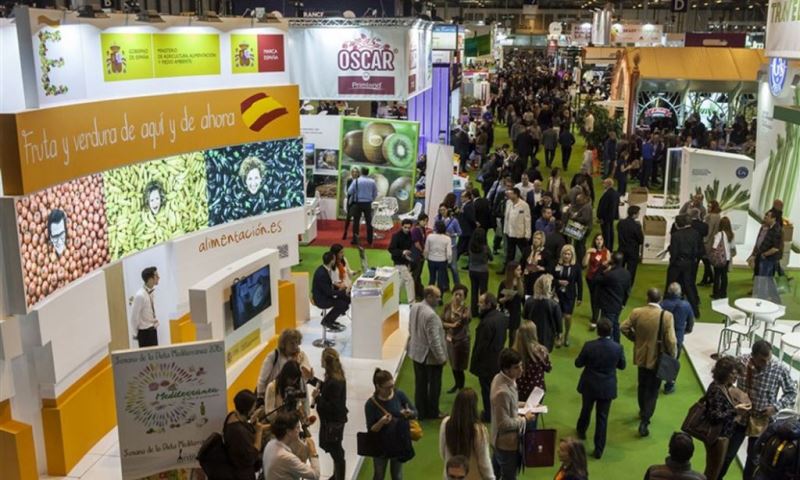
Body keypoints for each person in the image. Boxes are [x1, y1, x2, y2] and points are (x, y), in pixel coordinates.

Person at [729, 340, 797, 479]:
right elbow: (727, 380)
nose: (766, 364)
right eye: (762, 360)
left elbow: (791, 392)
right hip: (741, 417)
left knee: (754, 459)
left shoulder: (779, 369)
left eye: (769, 359)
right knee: (728, 453)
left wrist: (776, 407)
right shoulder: (741, 362)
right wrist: (734, 398)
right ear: (753, 356)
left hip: (762, 421)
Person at [621, 288, 677, 437]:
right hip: (658, 358)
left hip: (641, 356)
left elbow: (623, 327)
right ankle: (645, 420)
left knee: (642, 385)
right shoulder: (666, 316)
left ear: (647, 298)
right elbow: (671, 341)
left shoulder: (637, 312)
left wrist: (636, 339)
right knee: (653, 390)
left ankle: (642, 410)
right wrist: (672, 355)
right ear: (661, 299)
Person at [575, 318, 626, 459]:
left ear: (598, 331)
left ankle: (581, 431)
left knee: (586, 409)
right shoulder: (618, 348)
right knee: (602, 418)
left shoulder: (589, 346)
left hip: (589, 384)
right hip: (607, 387)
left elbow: (578, 363)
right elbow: (622, 366)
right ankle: (599, 449)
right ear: (611, 331)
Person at [701, 356, 750, 480]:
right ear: (724, 373)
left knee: (715, 469)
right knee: (713, 471)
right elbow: (714, 415)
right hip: (718, 436)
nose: (735, 376)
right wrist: (735, 411)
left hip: (722, 435)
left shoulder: (723, 386)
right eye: (733, 373)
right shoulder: (717, 389)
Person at [490, 348, 536, 480]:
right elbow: (503, 424)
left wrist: (525, 404)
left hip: (500, 442)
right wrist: (524, 419)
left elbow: (509, 404)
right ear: (506, 369)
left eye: (521, 365)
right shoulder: (502, 391)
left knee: (493, 474)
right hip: (506, 444)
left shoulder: (501, 378)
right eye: (516, 367)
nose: (521, 370)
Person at [365, 369, 417, 480]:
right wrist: (381, 422)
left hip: (398, 443)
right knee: (379, 476)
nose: (390, 389)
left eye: (392, 386)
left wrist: (409, 413)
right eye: (387, 387)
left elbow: (415, 413)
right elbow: (371, 430)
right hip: (380, 447)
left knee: (397, 475)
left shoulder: (399, 394)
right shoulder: (370, 404)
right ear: (378, 387)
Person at [408, 286, 447, 419]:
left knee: (420, 384)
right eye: (437, 297)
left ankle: (421, 411)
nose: (439, 299)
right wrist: (441, 358)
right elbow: (434, 341)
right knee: (434, 386)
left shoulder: (415, 307)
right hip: (430, 357)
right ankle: (433, 412)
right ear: (429, 297)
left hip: (416, 353)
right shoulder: (431, 315)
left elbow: (410, 328)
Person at [439, 388, 494, 480]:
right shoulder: (479, 430)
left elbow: (442, 452)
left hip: (450, 475)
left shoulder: (445, 423)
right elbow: (484, 461)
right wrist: (491, 478)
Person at [470, 293, 509, 423]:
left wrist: (474, 363)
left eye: (481, 303)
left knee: (487, 391)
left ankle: (489, 414)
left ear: (488, 304)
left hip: (486, 363)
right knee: (496, 388)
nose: (478, 304)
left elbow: (481, 346)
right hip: (498, 359)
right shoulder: (502, 317)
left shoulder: (486, 323)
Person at [313, 348, 348, 480]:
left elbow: (332, 406)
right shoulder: (336, 376)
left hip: (332, 422)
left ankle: (339, 477)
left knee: (336, 452)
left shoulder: (334, 381)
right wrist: (311, 379)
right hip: (336, 421)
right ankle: (337, 476)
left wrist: (317, 398)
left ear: (326, 362)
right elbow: (327, 389)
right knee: (337, 450)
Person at [262, 410, 321, 480]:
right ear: (288, 431)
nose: (299, 430)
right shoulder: (286, 457)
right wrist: (313, 450)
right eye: (297, 427)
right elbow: (315, 475)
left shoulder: (270, 444)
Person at [257, 329, 313, 401]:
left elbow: (306, 375)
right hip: (273, 395)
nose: (295, 346)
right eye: (292, 343)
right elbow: (262, 380)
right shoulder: (273, 356)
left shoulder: (301, 356)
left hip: (292, 396)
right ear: (284, 344)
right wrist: (260, 398)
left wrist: (308, 376)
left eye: (296, 342)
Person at [224, 390, 269, 480]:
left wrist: (272, 426)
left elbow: (251, 428)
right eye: (253, 407)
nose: (254, 409)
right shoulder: (238, 432)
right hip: (243, 474)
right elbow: (253, 456)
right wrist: (259, 432)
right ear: (247, 409)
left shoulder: (233, 415)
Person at [660, 283, 695, 395]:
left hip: (663, 336)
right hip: (677, 337)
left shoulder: (662, 304)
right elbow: (690, 322)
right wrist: (685, 331)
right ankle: (669, 385)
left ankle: (656, 382)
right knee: (673, 360)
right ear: (679, 293)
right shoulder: (686, 305)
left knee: (659, 357)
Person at [667, 214, 701, 318]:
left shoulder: (676, 235)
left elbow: (674, 252)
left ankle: (666, 309)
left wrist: (672, 262)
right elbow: (697, 249)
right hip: (689, 263)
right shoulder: (695, 233)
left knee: (670, 286)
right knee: (689, 287)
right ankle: (695, 311)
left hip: (677, 264)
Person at [593, 252, 632, 343]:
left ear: (612, 260)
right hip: (619, 304)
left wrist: (602, 267)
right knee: (615, 324)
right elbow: (627, 291)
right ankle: (617, 344)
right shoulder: (627, 273)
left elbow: (596, 279)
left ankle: (609, 345)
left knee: (608, 327)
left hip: (608, 305)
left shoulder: (610, 275)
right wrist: (623, 303)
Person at [512, 321, 552, 403]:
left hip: (519, 388)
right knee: (533, 410)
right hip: (536, 390)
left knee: (518, 409)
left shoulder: (514, 352)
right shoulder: (541, 350)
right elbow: (548, 368)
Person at [523, 274, 563, 352]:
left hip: (531, 334)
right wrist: (559, 334)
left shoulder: (529, 301)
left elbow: (525, 316)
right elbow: (559, 322)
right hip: (547, 336)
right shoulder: (554, 304)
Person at [312, 252, 350, 331]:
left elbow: (328, 285)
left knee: (347, 299)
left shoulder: (324, 269)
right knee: (343, 304)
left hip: (324, 295)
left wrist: (340, 288)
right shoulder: (322, 274)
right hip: (321, 299)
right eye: (334, 259)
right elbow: (328, 292)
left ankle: (331, 319)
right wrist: (343, 292)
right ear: (332, 261)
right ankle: (327, 321)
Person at [444, 285, 472, 394]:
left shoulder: (466, 308)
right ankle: (457, 384)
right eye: (456, 294)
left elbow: (466, 319)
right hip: (450, 340)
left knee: (459, 367)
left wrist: (459, 314)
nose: (457, 297)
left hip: (462, 342)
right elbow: (440, 321)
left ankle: (461, 388)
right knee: (453, 365)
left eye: (460, 295)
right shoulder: (447, 306)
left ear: (464, 297)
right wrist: (451, 325)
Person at [554, 244, 583, 347]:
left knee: (567, 316)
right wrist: (559, 282)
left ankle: (566, 335)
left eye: (568, 254)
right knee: (558, 316)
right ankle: (559, 335)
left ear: (572, 255)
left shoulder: (576, 267)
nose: (566, 256)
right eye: (565, 254)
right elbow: (551, 278)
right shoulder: (557, 264)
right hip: (557, 294)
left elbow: (579, 282)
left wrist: (580, 297)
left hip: (570, 295)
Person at [583, 234, 610, 329]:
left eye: (601, 239)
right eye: (597, 239)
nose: (599, 241)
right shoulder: (591, 251)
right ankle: (595, 315)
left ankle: (595, 319)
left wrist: (605, 265)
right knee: (593, 297)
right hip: (590, 278)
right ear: (594, 241)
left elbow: (610, 266)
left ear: (603, 241)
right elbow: (584, 264)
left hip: (601, 279)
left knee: (596, 297)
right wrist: (587, 252)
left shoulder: (606, 252)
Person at [502, 188, 531, 273]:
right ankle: (508, 270)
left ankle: (527, 268)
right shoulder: (508, 203)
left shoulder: (524, 205)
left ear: (516, 194)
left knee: (525, 252)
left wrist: (527, 234)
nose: (508, 195)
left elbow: (527, 220)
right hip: (510, 232)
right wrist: (505, 230)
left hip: (520, 234)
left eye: (510, 193)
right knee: (510, 253)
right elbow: (507, 218)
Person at [130, 266, 160, 348]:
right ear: (150, 279)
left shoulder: (150, 292)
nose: (159, 277)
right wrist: (137, 334)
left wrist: (153, 321)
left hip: (152, 330)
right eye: (156, 276)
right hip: (145, 333)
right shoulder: (140, 295)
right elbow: (133, 317)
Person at [348, 166, 378, 246]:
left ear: (361, 172)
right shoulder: (372, 182)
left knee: (356, 222)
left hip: (357, 203)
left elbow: (349, 191)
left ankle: (355, 240)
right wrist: (371, 199)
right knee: (369, 222)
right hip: (368, 203)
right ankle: (370, 240)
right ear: (368, 173)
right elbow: (375, 193)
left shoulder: (356, 181)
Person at [748, 209, 783, 278]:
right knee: (760, 276)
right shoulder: (769, 227)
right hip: (763, 257)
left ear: (773, 218)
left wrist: (763, 254)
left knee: (764, 277)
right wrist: (755, 254)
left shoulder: (776, 229)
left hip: (768, 259)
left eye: (768, 216)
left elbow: (775, 248)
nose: (766, 217)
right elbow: (761, 241)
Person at [388, 219, 417, 302]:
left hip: (407, 261)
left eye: (409, 228)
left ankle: (395, 300)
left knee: (401, 282)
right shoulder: (396, 236)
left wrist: (410, 256)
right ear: (402, 226)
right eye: (405, 227)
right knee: (409, 280)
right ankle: (412, 302)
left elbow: (411, 247)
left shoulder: (410, 235)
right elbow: (391, 249)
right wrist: (402, 252)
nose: (407, 229)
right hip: (398, 262)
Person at [498, 262, 524, 346]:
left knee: (513, 337)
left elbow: (523, 300)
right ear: (512, 271)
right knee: (502, 336)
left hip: (516, 313)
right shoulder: (504, 284)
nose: (520, 271)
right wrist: (506, 298)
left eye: (520, 269)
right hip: (506, 312)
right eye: (518, 270)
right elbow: (499, 300)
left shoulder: (521, 284)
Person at [468, 228, 493, 317]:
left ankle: (474, 311)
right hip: (483, 271)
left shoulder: (470, 247)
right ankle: (483, 311)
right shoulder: (485, 248)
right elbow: (491, 258)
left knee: (474, 291)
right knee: (483, 292)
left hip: (472, 270)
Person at [438, 204, 463, 286]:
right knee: (443, 267)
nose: (442, 212)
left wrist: (452, 235)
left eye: (444, 210)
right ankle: (445, 285)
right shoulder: (438, 219)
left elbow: (459, 232)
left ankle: (457, 285)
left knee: (453, 267)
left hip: (452, 246)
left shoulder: (454, 221)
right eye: (440, 210)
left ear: (447, 210)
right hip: (441, 247)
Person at [617, 205, 644, 283]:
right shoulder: (636, 226)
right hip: (633, 251)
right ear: (634, 214)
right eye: (638, 213)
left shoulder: (620, 223)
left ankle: (618, 283)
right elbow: (641, 240)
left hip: (622, 249)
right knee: (631, 271)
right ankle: (628, 285)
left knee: (619, 268)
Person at [425, 220, 453, 293]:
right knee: (441, 280)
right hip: (442, 261)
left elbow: (426, 249)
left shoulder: (430, 237)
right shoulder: (447, 239)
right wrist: (449, 261)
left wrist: (426, 257)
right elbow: (449, 253)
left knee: (432, 278)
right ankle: (440, 296)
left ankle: (429, 295)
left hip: (431, 260)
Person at [711, 217, 734, 299]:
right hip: (727, 258)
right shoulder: (731, 234)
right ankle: (723, 293)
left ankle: (716, 293)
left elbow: (714, 246)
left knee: (717, 276)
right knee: (724, 276)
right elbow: (732, 247)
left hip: (719, 258)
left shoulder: (719, 234)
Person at [700, 201, 722, 286]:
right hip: (713, 240)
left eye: (709, 206)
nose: (708, 208)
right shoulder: (718, 216)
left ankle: (708, 279)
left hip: (708, 241)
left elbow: (709, 229)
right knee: (707, 261)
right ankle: (707, 279)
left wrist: (705, 240)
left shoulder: (712, 216)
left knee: (706, 261)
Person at [567, 193, 593, 263]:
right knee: (579, 245)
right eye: (577, 200)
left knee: (580, 246)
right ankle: (579, 259)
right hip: (582, 228)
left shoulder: (587, 207)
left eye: (579, 200)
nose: (577, 202)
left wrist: (575, 217)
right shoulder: (584, 206)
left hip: (584, 229)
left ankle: (580, 261)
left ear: (584, 199)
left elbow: (585, 219)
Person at [596, 178, 620, 252]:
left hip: (606, 217)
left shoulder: (608, 194)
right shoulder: (615, 193)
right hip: (611, 217)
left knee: (606, 234)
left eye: (604, 183)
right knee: (610, 232)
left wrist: (600, 217)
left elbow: (604, 207)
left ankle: (607, 248)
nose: (603, 184)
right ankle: (609, 248)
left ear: (608, 184)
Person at [410, 214, 429, 301]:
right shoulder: (415, 230)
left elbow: (422, 241)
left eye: (426, 221)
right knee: (415, 275)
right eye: (424, 220)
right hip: (416, 255)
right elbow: (416, 243)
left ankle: (419, 292)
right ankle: (416, 293)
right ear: (419, 220)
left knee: (418, 275)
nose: (425, 222)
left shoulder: (423, 229)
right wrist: (422, 251)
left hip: (420, 255)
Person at [525, 231, 549, 296]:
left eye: (538, 239)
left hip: (539, 278)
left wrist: (542, 268)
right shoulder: (528, 250)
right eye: (535, 238)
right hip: (527, 278)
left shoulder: (546, 253)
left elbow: (550, 267)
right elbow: (522, 262)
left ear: (542, 240)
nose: (536, 240)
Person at [342, 167, 361, 240]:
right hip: (350, 201)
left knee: (356, 219)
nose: (354, 173)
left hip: (358, 202)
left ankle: (355, 236)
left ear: (358, 173)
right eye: (353, 172)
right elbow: (346, 191)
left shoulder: (360, 181)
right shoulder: (349, 180)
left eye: (356, 172)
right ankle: (345, 232)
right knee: (348, 217)